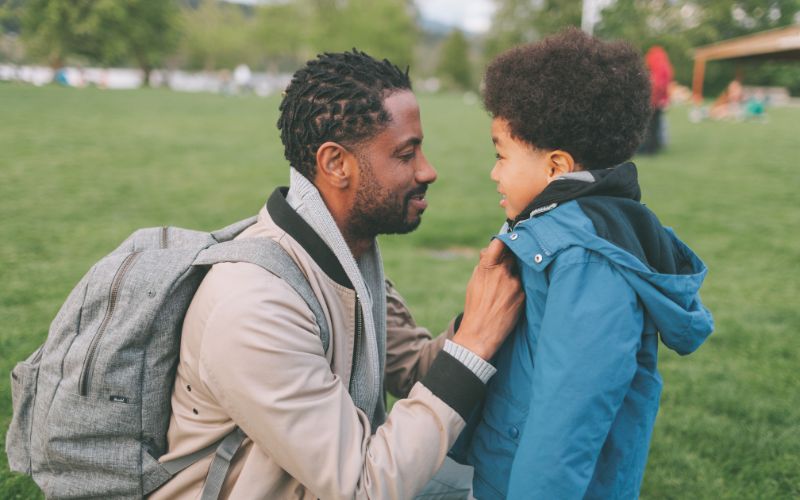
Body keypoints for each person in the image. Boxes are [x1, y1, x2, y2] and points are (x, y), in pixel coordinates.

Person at [149, 50, 524, 499]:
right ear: (335, 164)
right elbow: (365, 486)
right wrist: (474, 344)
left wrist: (482, 318)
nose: (428, 170)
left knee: (503, 485)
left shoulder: (344, 256)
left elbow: (413, 371)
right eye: (407, 153)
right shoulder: (254, 305)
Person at [450, 28, 714, 499]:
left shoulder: (588, 263)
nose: (493, 172)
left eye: (501, 155)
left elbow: (566, 425)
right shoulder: (558, 233)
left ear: (556, 167)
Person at [639, 45, 673, 154]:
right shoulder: (666, 67)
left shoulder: (657, 69)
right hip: (660, 102)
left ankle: (649, 149)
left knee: (650, 127)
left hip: (653, 102)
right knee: (655, 126)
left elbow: (657, 86)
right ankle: (656, 145)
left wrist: (651, 100)